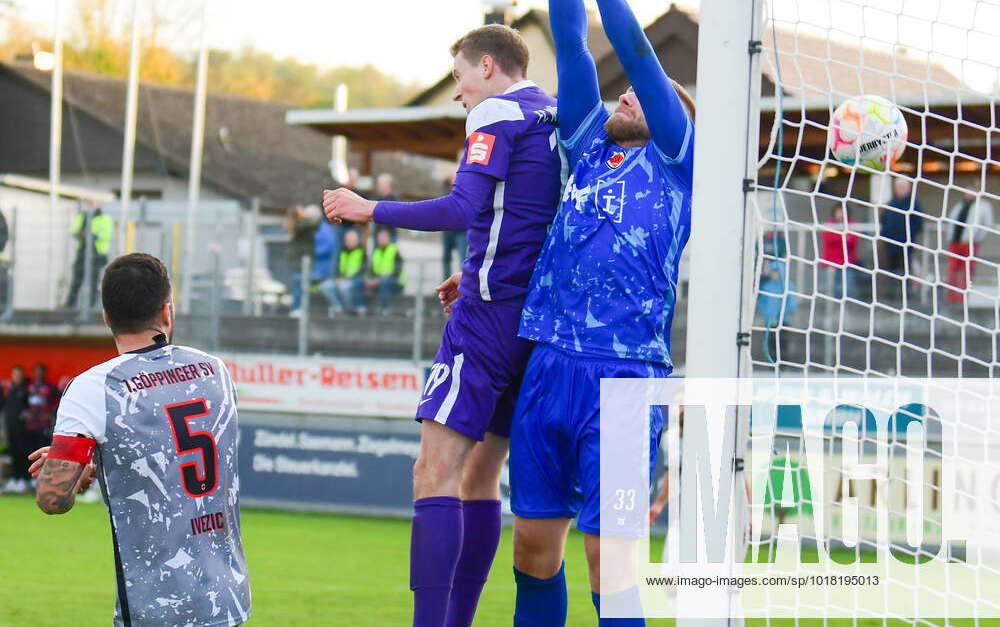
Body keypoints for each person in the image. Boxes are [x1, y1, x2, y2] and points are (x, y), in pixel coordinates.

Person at [324, 23, 562, 627]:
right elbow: (529, 217)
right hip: (535, 320)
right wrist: (474, 264)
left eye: (458, 79)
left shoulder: (494, 114)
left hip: (485, 319)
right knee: (481, 477)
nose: (458, 95)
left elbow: (462, 207)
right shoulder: (554, 115)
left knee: (434, 472)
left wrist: (368, 207)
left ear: (487, 65)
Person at [493, 0, 695, 623]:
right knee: (532, 554)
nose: (626, 95)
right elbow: (574, 47)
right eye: (624, 93)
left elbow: (635, 50)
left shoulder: (678, 160)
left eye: (641, 94)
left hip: (625, 378)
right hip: (549, 366)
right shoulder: (587, 150)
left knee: (610, 561)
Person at [28, 252, 251, 626]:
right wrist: (101, 458)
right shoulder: (215, 370)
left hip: (155, 608)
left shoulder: (93, 388)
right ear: (167, 312)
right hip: (227, 601)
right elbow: (175, 442)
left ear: (106, 319)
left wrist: (85, 464)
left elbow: (52, 499)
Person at [944, 188, 994, 303]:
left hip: (970, 243)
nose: (969, 193)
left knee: (967, 270)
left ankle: (963, 297)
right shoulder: (959, 205)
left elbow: (987, 224)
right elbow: (951, 221)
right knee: (952, 269)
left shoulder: (983, 206)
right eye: (968, 191)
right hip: (955, 242)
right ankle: (952, 297)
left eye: (973, 191)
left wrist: (976, 238)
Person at [879, 178, 924, 302]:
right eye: (899, 187)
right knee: (892, 271)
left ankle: (906, 298)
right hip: (891, 244)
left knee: (905, 270)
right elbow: (884, 221)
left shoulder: (913, 204)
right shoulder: (890, 204)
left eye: (903, 187)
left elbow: (918, 223)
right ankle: (892, 297)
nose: (901, 190)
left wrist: (909, 235)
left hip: (906, 244)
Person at [64, 202, 113, 309]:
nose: (90, 206)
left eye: (92, 203)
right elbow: (74, 230)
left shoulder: (104, 219)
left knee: (94, 280)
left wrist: (90, 235)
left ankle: (91, 306)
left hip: (97, 253)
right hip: (82, 252)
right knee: (76, 279)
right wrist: (80, 234)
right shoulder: (82, 216)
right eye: (89, 203)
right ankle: (70, 305)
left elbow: (106, 234)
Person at [321, 228, 367, 315]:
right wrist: (338, 278)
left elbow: (363, 271)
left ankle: (350, 308)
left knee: (344, 287)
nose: (349, 241)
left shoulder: (362, 253)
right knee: (325, 286)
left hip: (355, 280)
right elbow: (337, 268)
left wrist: (346, 279)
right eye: (347, 239)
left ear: (357, 241)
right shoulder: (342, 252)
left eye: (352, 240)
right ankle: (338, 307)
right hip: (341, 279)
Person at [819, 206, 861, 299]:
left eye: (842, 212)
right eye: (839, 212)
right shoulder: (829, 224)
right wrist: (843, 236)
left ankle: (846, 310)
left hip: (847, 264)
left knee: (847, 289)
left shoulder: (851, 224)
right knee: (830, 290)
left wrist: (837, 236)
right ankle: (831, 311)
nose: (840, 214)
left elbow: (853, 240)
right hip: (830, 263)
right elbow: (828, 238)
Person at [285, 204, 320, 316]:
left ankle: (299, 308)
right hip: (299, 261)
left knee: (301, 285)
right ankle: (296, 308)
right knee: (298, 285)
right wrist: (313, 215)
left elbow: (315, 226)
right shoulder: (299, 223)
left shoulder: (300, 223)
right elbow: (314, 223)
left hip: (301, 260)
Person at [24, 363, 59, 469]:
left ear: (44, 373)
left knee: (42, 450)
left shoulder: (50, 387)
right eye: (36, 371)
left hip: (43, 425)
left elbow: (57, 403)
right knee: (30, 450)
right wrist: (26, 413)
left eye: (41, 371)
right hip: (30, 425)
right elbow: (23, 403)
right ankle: (30, 474)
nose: (38, 373)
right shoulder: (30, 387)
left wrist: (50, 414)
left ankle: (43, 473)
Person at [2, 365, 30, 493]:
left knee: (23, 454)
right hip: (11, 428)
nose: (16, 377)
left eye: (18, 375)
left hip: (23, 430)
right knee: (13, 454)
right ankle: (15, 479)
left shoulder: (26, 390)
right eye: (14, 375)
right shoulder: (9, 390)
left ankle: (24, 479)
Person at [367, 227, 405, 315]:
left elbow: (397, 271)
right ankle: (361, 309)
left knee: (384, 281)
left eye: (384, 238)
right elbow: (372, 271)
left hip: (396, 282)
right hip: (380, 282)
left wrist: (379, 279)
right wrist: (372, 280)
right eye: (380, 238)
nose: (381, 240)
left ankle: (384, 309)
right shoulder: (376, 252)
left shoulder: (395, 251)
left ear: (389, 238)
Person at [440, 174, 469, 278]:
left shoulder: (464, 193)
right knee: (446, 258)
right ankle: (445, 280)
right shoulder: (446, 193)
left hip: (460, 231)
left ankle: (464, 280)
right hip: (448, 232)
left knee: (463, 258)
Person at [371, 173, 399, 247]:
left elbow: (393, 218)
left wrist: (385, 232)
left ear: (388, 185)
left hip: (389, 234)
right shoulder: (377, 199)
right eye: (378, 184)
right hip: (377, 233)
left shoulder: (394, 201)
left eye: (381, 184)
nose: (379, 186)